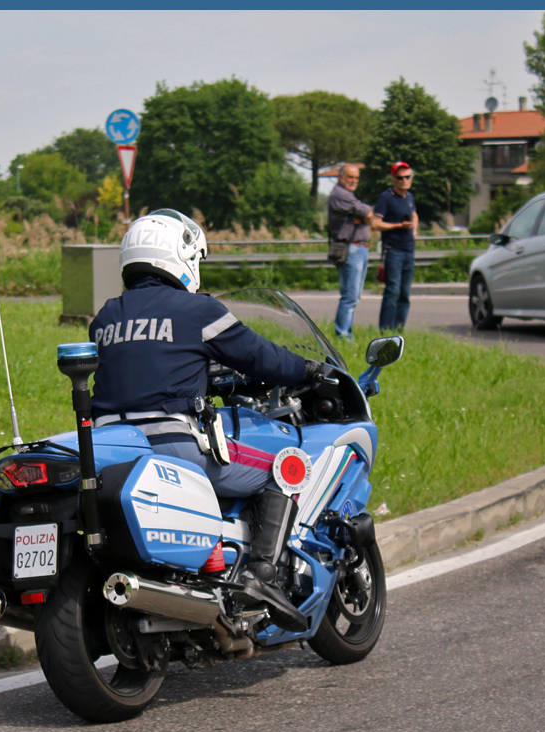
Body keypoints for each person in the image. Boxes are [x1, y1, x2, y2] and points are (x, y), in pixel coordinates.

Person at [88, 209, 323, 632]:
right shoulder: (198, 311)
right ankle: (262, 576)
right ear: (181, 256)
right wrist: (307, 371)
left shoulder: (106, 317)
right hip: (172, 444)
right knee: (284, 466)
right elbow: (260, 357)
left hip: (112, 448)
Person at [326, 163, 373, 341]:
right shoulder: (341, 194)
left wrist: (364, 215)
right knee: (349, 296)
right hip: (351, 248)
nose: (354, 181)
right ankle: (343, 335)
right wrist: (364, 215)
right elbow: (368, 213)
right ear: (340, 177)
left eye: (356, 178)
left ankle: (346, 333)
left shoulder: (347, 195)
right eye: (350, 177)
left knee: (354, 296)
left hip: (359, 248)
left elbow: (367, 214)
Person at [372, 161, 418, 330]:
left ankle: (400, 329)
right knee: (393, 291)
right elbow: (375, 223)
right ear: (393, 179)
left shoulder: (409, 196)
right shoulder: (386, 197)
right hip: (394, 250)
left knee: (405, 293)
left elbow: (414, 214)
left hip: (409, 249)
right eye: (400, 178)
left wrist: (414, 229)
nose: (404, 180)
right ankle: (385, 329)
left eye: (407, 177)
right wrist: (398, 226)